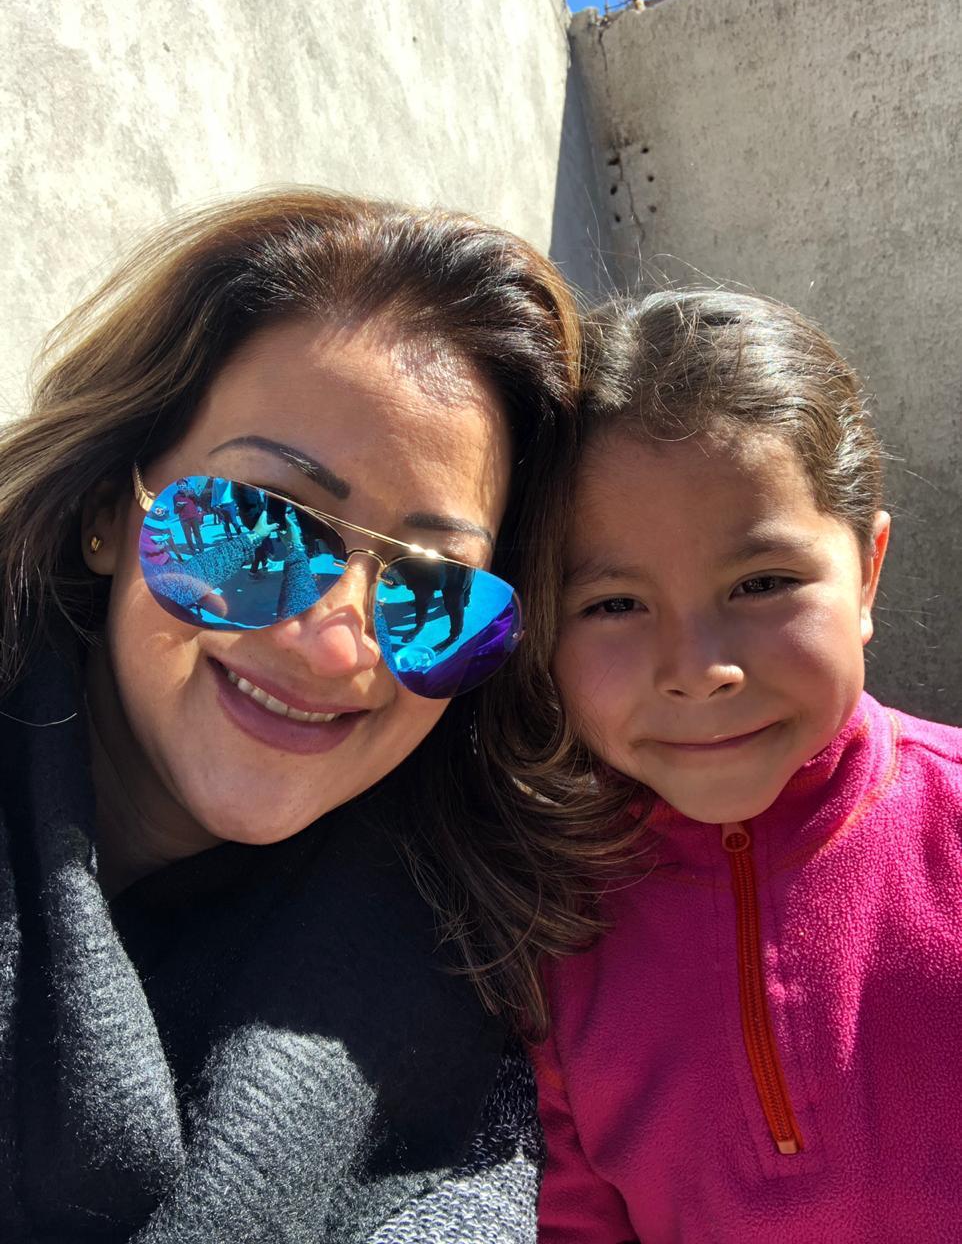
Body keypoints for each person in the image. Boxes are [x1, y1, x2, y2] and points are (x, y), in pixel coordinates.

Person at [0, 188, 585, 1243]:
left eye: (433, 588)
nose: (334, 645)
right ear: (107, 509)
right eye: (260, 522)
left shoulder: (472, 1033)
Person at [528, 291, 962, 1241]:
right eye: (612, 604)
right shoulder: (535, 922)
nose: (698, 670)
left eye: (762, 584)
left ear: (869, 572)